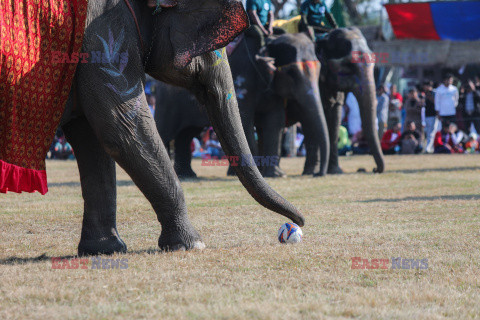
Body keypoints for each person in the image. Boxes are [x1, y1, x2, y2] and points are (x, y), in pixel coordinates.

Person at [423, 81, 438, 153]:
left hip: (433, 115)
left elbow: (436, 103)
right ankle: (428, 147)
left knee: (431, 132)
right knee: (427, 132)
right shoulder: (424, 93)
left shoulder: (434, 93)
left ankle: (428, 148)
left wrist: (430, 97)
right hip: (426, 115)